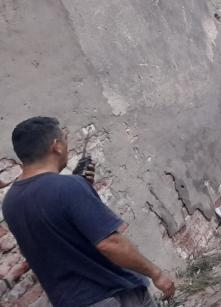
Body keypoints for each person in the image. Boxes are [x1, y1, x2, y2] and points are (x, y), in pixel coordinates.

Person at [2, 117, 175, 307]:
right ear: (57, 146)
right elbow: (110, 244)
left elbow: (54, 230)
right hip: (111, 295)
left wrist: (78, 184)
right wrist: (156, 274)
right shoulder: (69, 188)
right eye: (64, 139)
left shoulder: (10, 202)